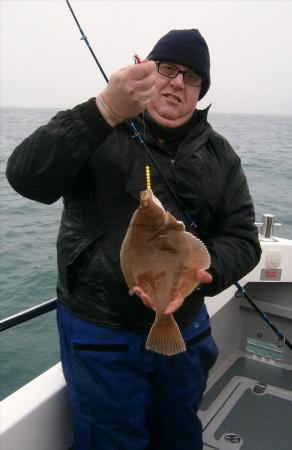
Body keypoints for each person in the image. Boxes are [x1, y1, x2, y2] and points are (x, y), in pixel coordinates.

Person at [6, 29, 261, 450]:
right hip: (99, 330)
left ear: (200, 92)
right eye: (169, 69)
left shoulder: (221, 156)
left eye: (192, 77)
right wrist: (103, 109)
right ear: (148, 71)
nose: (178, 82)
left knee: (178, 433)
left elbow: (242, 238)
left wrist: (203, 273)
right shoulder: (98, 130)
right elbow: (25, 177)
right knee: (111, 440)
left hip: (185, 325)